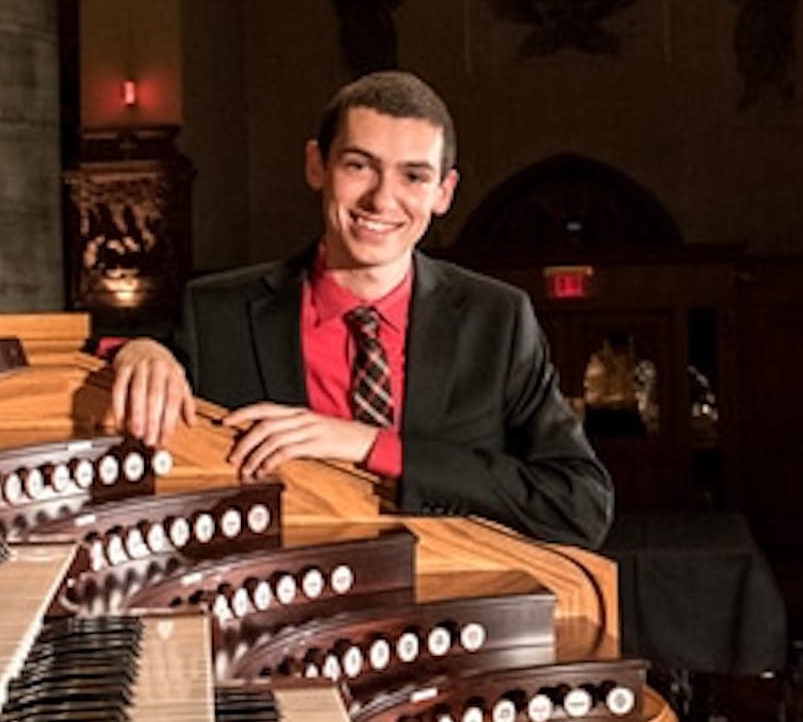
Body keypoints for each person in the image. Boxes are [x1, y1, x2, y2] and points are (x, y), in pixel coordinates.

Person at [109, 70, 612, 548]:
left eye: (413, 176)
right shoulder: (218, 313)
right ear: (316, 165)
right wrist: (137, 351)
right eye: (359, 166)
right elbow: (122, 385)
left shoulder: (497, 320)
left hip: (452, 617)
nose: (382, 199)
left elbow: (580, 505)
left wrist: (372, 445)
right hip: (275, 622)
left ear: (443, 193)